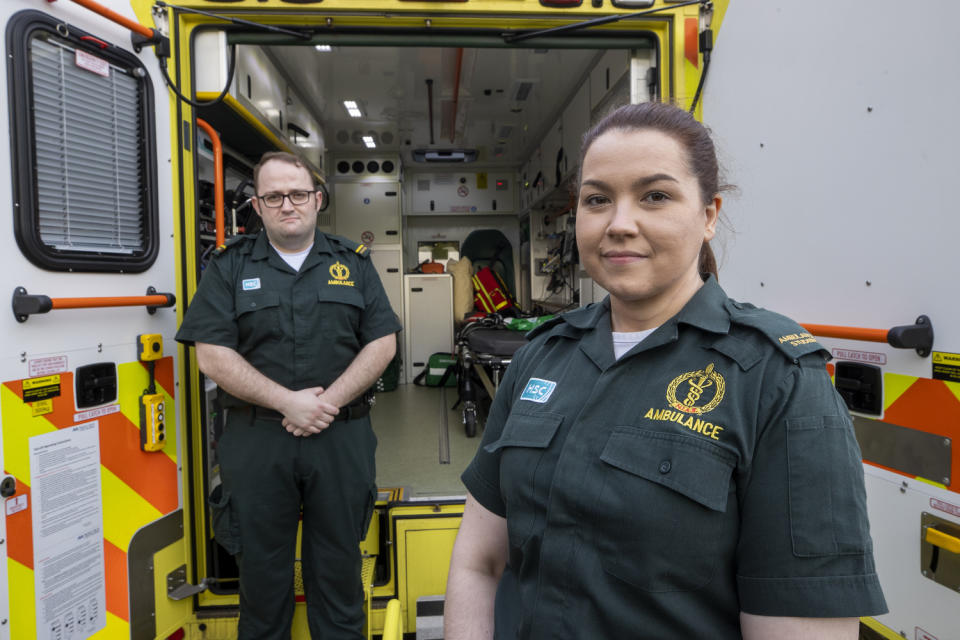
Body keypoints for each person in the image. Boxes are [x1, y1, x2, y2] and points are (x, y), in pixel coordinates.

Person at [444, 102, 887, 639]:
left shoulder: (777, 381)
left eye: (655, 196)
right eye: (597, 199)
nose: (619, 224)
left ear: (708, 215)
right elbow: (477, 559)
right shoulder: (541, 354)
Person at [176, 151, 400, 639]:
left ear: (318, 200)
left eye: (297, 194)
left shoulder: (352, 264)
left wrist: (327, 402)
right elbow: (212, 355)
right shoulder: (228, 268)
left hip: (339, 437)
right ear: (256, 206)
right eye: (273, 196)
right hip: (258, 441)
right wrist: (287, 402)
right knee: (261, 577)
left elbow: (382, 342)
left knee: (340, 571)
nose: (287, 205)